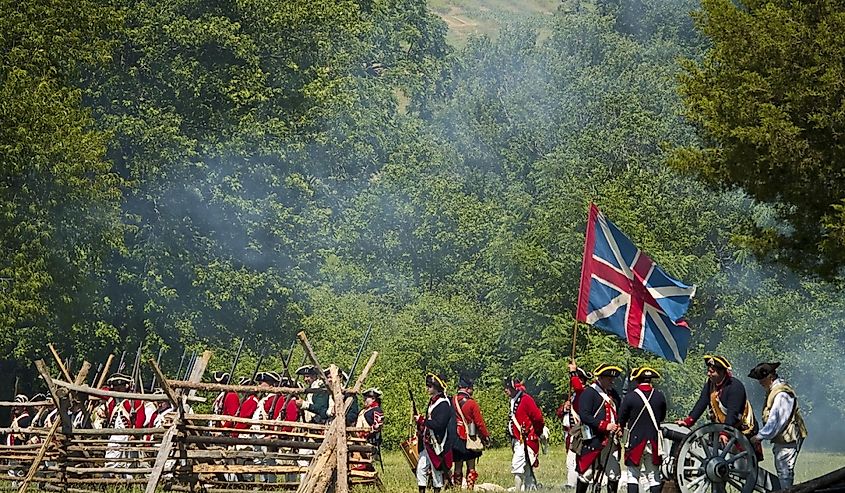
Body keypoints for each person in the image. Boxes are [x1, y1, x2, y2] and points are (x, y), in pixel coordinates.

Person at [675, 355, 761, 459]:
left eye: (712, 372)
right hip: (723, 427)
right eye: (708, 371)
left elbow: (733, 414)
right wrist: (688, 421)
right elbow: (702, 402)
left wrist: (725, 433)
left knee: (742, 461)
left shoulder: (735, 387)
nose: (708, 374)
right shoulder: (711, 384)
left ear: (721, 372)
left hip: (742, 429)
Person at [748, 362, 808, 489]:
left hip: (789, 436)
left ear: (770, 377)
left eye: (762, 380)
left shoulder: (782, 394)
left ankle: (786, 490)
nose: (760, 383)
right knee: (782, 469)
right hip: (783, 436)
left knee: (785, 470)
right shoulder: (774, 390)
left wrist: (759, 436)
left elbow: (776, 421)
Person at [575, 363, 623, 493]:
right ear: (600, 378)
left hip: (610, 440)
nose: (612, 381)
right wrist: (604, 425)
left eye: (612, 378)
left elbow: (618, 414)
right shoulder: (589, 393)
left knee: (614, 473)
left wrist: (618, 427)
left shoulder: (613, 394)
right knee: (586, 473)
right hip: (594, 439)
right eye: (609, 378)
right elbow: (585, 415)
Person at [618, 367, 667, 493]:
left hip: (635, 440)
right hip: (653, 440)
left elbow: (621, 419)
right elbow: (661, 417)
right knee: (654, 476)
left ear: (637, 380)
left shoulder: (630, 397)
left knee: (633, 474)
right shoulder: (660, 396)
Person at [416, 373, 454, 493]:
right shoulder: (432, 402)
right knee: (421, 469)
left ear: (436, 387)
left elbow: (439, 425)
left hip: (438, 442)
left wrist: (423, 420)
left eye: (429, 386)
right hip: (427, 442)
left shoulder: (443, 404)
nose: (427, 388)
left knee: (436, 471)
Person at [505, 377, 545, 491]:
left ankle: (518, 489)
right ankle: (529, 488)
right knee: (526, 466)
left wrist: (537, 431)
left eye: (507, 388)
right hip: (518, 439)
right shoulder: (514, 400)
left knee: (517, 465)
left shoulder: (525, 399)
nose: (505, 390)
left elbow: (538, 418)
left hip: (526, 438)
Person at [452, 376, 490, 490]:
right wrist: (486, 436)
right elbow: (479, 423)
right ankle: (469, 488)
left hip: (456, 438)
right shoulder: (472, 403)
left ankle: (457, 489)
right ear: (468, 388)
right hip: (470, 437)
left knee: (457, 466)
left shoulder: (452, 401)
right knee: (471, 466)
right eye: (471, 388)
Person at [352, 387, 384, 472]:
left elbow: (378, 426)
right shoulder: (364, 410)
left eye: (366, 398)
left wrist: (366, 433)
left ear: (373, 399)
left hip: (368, 441)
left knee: (363, 464)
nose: (364, 400)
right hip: (359, 440)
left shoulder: (377, 410)